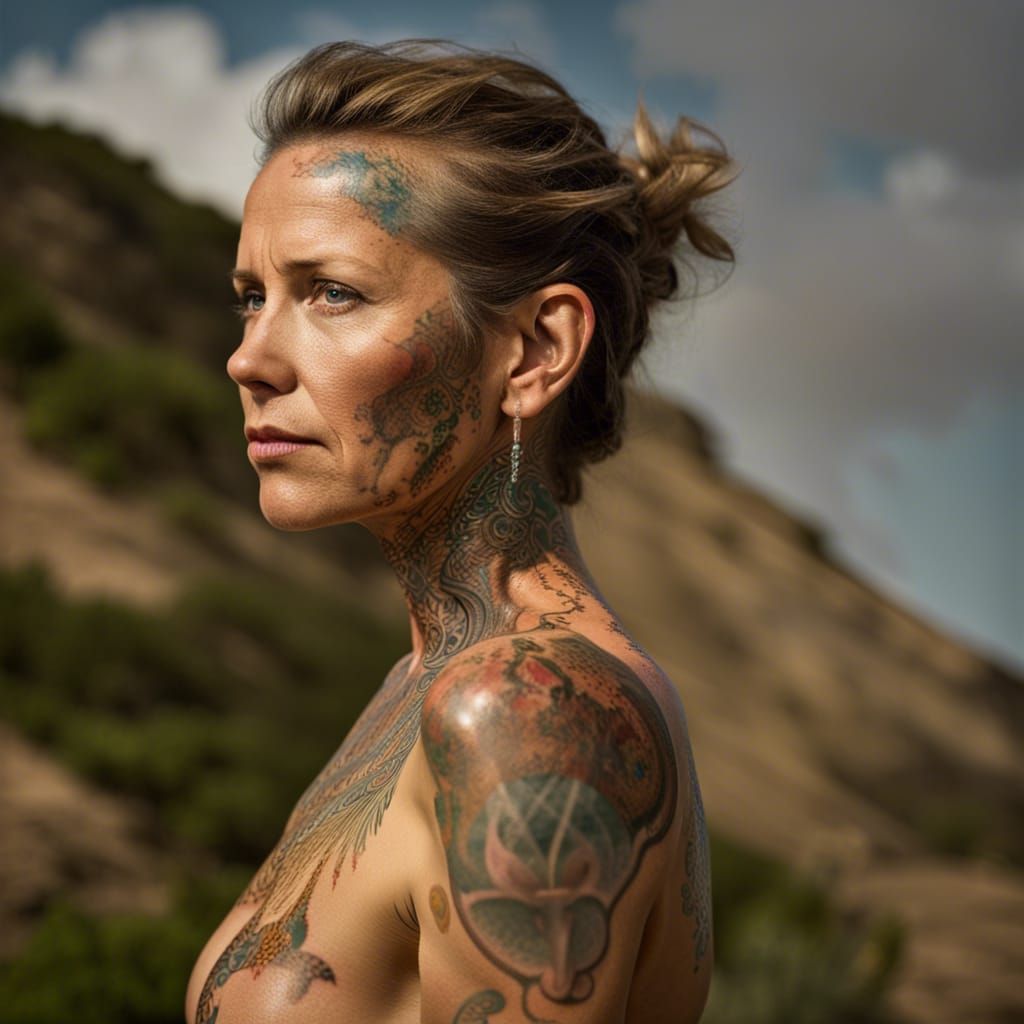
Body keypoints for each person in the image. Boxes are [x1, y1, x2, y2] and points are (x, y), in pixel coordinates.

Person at [185, 38, 738, 1024]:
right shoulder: (430, 679)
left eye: (332, 291)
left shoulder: (520, 714)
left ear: (533, 350)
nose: (248, 358)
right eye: (251, 297)